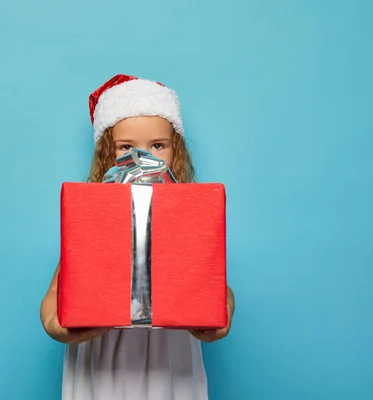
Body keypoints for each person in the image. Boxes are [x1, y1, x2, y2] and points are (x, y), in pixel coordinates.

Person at [40, 74, 235, 400]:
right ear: (107, 153)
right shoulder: (91, 217)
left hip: (170, 356)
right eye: (126, 147)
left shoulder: (190, 216)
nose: (142, 159)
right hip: (103, 356)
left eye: (157, 145)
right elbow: (55, 294)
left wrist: (221, 316)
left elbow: (216, 286)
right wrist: (59, 327)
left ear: (177, 151)